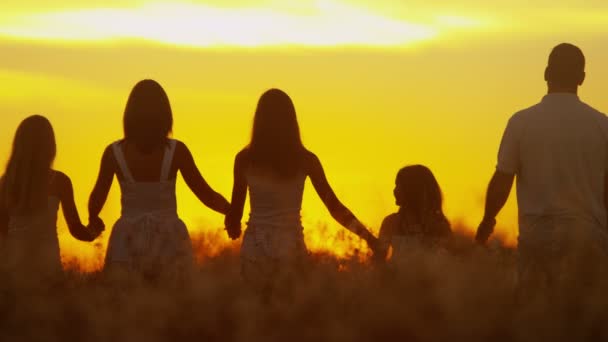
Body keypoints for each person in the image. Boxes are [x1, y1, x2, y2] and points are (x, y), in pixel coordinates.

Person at [475, 43, 608, 286]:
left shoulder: (521, 122)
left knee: (536, 316)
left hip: (538, 238)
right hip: (589, 239)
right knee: (586, 318)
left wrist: (487, 222)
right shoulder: (602, 125)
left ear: (546, 73)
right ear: (582, 78)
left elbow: (502, 180)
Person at [225, 89, 379, 292]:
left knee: (258, 314)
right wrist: (369, 238)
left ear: (259, 120)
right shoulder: (306, 160)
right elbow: (334, 207)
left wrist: (231, 224)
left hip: (256, 249)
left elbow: (236, 214)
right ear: (292, 121)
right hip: (291, 248)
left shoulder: (244, 159)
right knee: (292, 315)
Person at [88, 80, 230, 275]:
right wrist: (231, 212)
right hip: (170, 238)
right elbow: (206, 195)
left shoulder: (114, 153)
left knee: (126, 299)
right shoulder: (177, 151)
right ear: (165, 114)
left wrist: (93, 219)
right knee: (172, 300)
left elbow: (97, 198)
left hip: (127, 238)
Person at [0, 115, 103, 280]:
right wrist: (94, 231)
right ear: (50, 146)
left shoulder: (6, 183)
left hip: (14, 267)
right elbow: (76, 230)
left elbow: (2, 231)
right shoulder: (60, 182)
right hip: (47, 267)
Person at [376, 165, 451, 262]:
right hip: (397, 277)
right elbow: (378, 261)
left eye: (398, 185)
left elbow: (450, 262)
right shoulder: (391, 222)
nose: (394, 190)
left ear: (412, 189)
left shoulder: (439, 225)